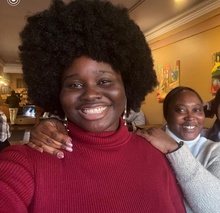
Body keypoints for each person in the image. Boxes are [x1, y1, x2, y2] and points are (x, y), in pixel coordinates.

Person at [0, 0, 186, 212]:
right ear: (57, 93)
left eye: (104, 81)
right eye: (75, 84)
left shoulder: (156, 156)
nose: (90, 94)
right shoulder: (27, 162)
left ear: (127, 85)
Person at [30, 86, 220, 213]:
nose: (191, 117)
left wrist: (174, 149)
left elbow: (214, 206)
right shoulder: (144, 141)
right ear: (166, 113)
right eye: (181, 110)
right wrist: (52, 122)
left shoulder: (214, 151)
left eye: (197, 110)